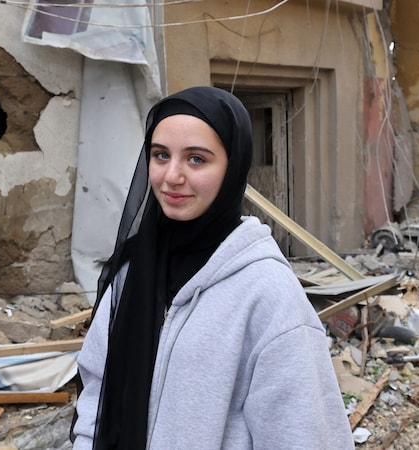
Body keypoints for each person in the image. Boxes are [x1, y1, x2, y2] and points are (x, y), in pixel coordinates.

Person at [72, 86, 354, 449]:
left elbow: (302, 434)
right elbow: (97, 387)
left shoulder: (266, 293)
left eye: (196, 159)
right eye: (161, 155)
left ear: (232, 167)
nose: (171, 176)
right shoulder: (135, 269)